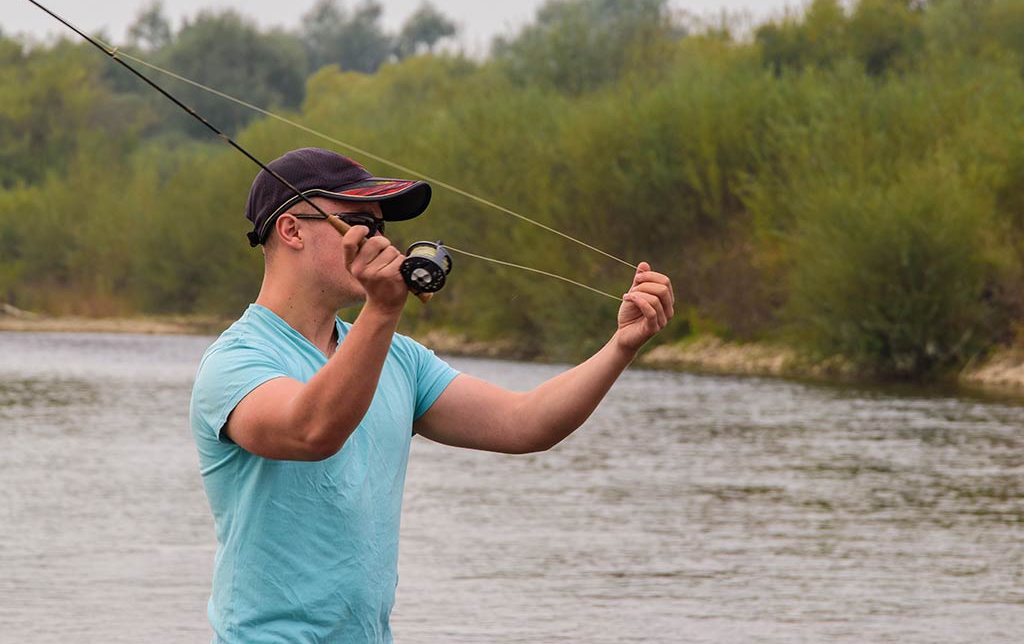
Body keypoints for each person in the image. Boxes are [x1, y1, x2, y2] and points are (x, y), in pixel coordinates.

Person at [190, 147, 675, 643]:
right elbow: (311, 431)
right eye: (360, 223)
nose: (381, 242)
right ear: (291, 229)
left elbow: (526, 423)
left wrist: (621, 347)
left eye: (382, 229)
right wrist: (382, 310)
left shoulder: (398, 358)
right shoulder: (235, 363)